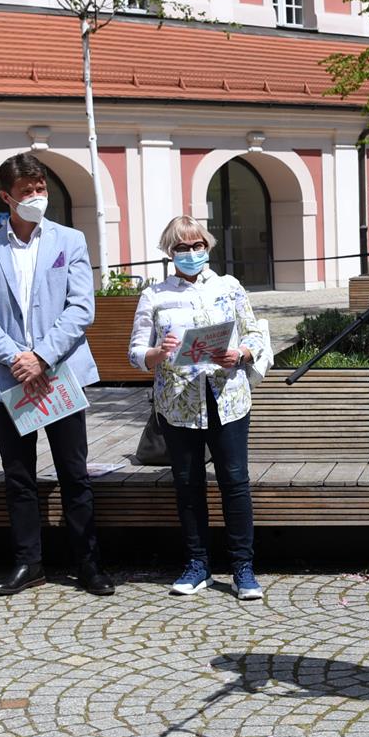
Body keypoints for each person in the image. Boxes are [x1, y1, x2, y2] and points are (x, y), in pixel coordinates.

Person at [0, 152, 114, 597]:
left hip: (59, 373)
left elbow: (81, 307)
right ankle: (28, 562)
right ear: (6, 197)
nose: (36, 197)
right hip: (12, 378)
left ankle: (88, 563)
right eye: (26, 192)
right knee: (19, 475)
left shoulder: (70, 240)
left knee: (74, 472)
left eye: (41, 189)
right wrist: (18, 358)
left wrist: (42, 358)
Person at [129, 216, 270, 601]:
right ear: (169, 253)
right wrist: (157, 354)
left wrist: (240, 352)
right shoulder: (154, 295)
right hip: (179, 402)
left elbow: (255, 332)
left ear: (207, 246)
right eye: (181, 248)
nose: (191, 254)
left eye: (197, 246)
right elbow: (136, 351)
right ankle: (197, 564)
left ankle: (243, 568)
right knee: (188, 485)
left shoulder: (229, 286)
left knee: (235, 483)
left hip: (227, 398)